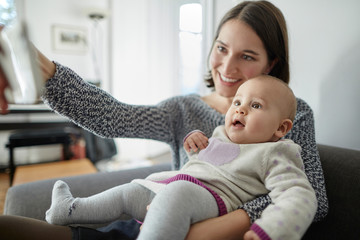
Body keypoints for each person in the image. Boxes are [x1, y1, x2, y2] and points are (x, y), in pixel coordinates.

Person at [0, 1, 328, 239]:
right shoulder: (182, 110)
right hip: (142, 223)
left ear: (271, 64)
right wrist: (43, 71)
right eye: (222, 48)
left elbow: (311, 196)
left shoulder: (290, 116)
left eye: (247, 56)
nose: (227, 68)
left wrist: (206, 232)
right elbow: (112, 118)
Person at [45, 76, 317, 240]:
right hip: (172, 188)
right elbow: (206, 164)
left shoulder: (277, 152)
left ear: (280, 128)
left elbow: (299, 194)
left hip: (212, 201)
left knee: (178, 194)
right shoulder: (221, 133)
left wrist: (269, 230)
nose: (241, 110)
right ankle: (70, 209)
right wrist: (195, 147)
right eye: (237, 102)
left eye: (255, 106)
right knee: (130, 191)